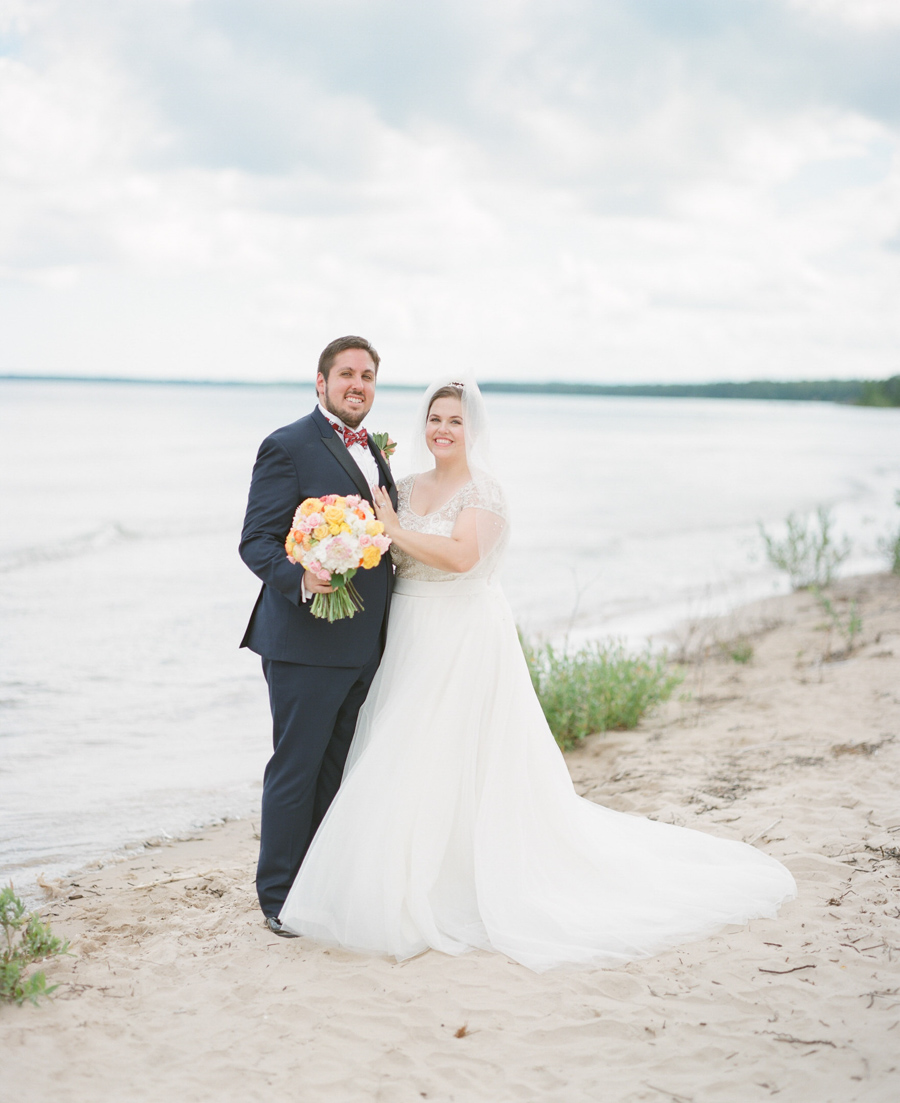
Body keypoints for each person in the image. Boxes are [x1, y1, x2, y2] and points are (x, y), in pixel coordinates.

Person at [277, 378, 796, 970]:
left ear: (474, 429)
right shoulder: (406, 484)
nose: (443, 429)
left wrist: (393, 530)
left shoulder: (486, 493)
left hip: (460, 632)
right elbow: (379, 550)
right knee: (401, 749)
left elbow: (461, 557)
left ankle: (453, 883)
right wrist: (344, 546)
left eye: (455, 420)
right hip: (407, 631)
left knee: (445, 750)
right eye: (434, 418)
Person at [239, 335, 397, 936]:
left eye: (368, 377)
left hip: (362, 646)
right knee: (296, 768)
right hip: (304, 643)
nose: (358, 385)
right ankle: (277, 898)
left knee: (336, 770)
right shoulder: (287, 445)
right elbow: (256, 541)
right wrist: (301, 575)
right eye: (347, 374)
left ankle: (318, 883)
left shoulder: (373, 452)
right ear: (321, 381)